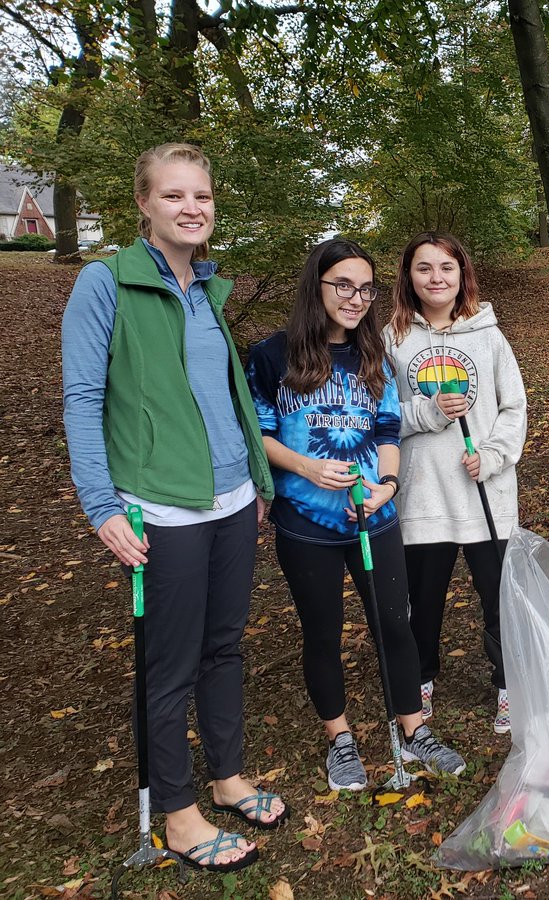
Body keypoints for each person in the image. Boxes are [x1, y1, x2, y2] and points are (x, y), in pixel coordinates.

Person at [61, 143, 286, 873]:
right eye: (176, 196)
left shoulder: (207, 288)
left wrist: (254, 481)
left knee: (226, 648)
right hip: (162, 508)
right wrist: (102, 504)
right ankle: (181, 814)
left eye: (204, 197)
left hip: (230, 501)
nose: (193, 208)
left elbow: (226, 398)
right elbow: (84, 399)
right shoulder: (107, 285)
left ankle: (227, 778)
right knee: (172, 665)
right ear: (144, 205)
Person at [246, 238, 467, 786]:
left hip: (374, 518)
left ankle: (414, 730)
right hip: (306, 524)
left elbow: (389, 429)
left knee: (395, 622)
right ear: (315, 286)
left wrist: (388, 485)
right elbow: (260, 436)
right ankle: (340, 739)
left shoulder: (375, 356)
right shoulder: (272, 356)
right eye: (343, 285)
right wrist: (305, 468)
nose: (356, 298)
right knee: (322, 632)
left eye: (366, 288)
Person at [382, 232, 527, 735]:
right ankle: (419, 681)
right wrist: (427, 412)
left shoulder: (488, 335)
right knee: (422, 601)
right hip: (422, 495)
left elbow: (514, 408)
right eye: (424, 268)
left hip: (485, 492)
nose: (436, 278)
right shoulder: (392, 339)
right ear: (409, 277)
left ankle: (511, 684)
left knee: (499, 599)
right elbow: (378, 417)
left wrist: (491, 456)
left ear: (462, 274)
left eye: (447, 267)